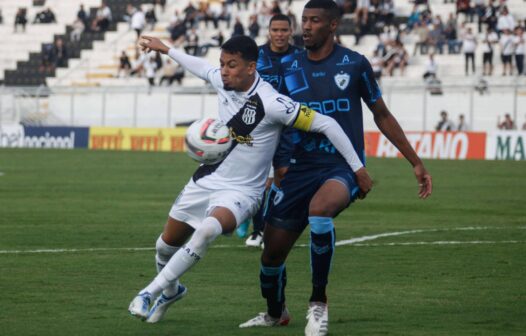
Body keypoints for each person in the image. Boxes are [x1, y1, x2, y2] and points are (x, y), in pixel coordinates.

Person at [128, 34, 372, 325]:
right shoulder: (222, 80)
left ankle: (147, 292)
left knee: (207, 230)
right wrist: (166, 49)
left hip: (243, 191)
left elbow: (326, 123)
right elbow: (200, 67)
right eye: (222, 64)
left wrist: (358, 168)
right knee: (164, 247)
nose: (224, 71)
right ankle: (171, 290)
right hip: (207, 180)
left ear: (251, 67)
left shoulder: (271, 103)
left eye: (232, 65)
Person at [239, 1, 432, 335]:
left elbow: (381, 114)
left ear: (332, 26)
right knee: (271, 256)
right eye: (304, 21)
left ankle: (318, 303)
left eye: (314, 21)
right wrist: (237, 140)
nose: (307, 27)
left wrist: (415, 161)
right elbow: (266, 111)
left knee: (320, 210)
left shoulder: (354, 64)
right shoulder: (288, 66)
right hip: (299, 168)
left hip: (343, 166)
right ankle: (276, 313)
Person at [244, 14, 302, 247]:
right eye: (275, 30)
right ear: (269, 31)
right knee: (260, 182)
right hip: (260, 126)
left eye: (284, 30)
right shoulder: (256, 56)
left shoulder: (301, 56)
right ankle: (258, 230)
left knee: (283, 177)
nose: (279, 34)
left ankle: (274, 229)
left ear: (291, 31)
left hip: (290, 126)